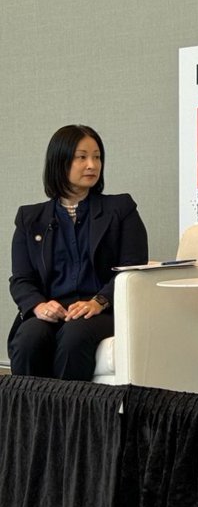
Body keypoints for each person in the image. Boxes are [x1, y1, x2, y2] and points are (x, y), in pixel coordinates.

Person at [8, 125, 148, 380]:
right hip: (54, 308)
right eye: (81, 157)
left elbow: (133, 270)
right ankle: (28, 419)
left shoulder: (121, 209)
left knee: (75, 335)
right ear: (59, 162)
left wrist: (99, 301)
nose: (92, 165)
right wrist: (38, 305)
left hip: (101, 309)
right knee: (29, 338)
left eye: (97, 156)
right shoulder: (30, 218)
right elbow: (21, 279)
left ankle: (72, 418)